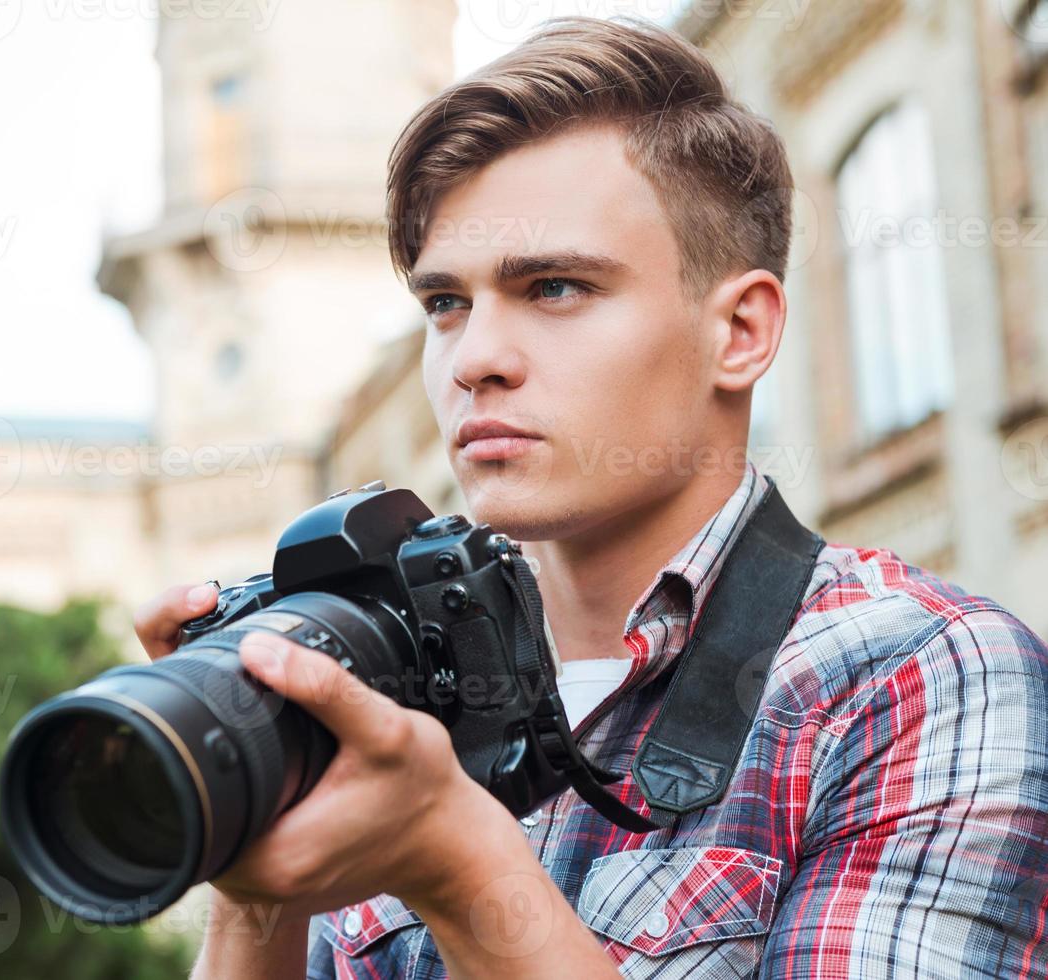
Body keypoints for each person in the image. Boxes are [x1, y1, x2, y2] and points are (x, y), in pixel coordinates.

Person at [132, 17, 1048, 978]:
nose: (474, 359)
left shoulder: (915, 678)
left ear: (738, 331)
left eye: (556, 287)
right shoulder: (384, 696)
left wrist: (456, 864)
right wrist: (251, 850)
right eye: (446, 303)